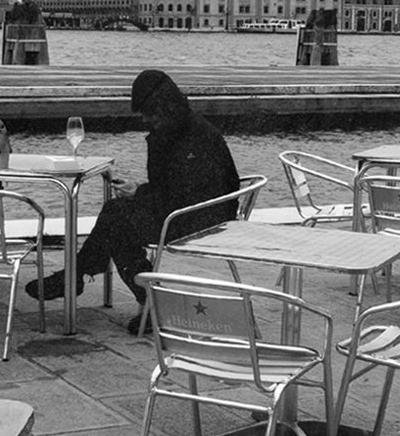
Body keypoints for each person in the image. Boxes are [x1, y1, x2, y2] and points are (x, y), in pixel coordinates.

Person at [26, 69, 241, 333]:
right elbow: (176, 189)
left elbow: (182, 196)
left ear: (162, 108)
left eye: (149, 114)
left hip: (204, 220)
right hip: (199, 211)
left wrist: (139, 194)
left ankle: (87, 277)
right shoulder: (185, 129)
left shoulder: (191, 139)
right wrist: (139, 190)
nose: (146, 120)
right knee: (117, 218)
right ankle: (88, 278)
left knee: (116, 220)